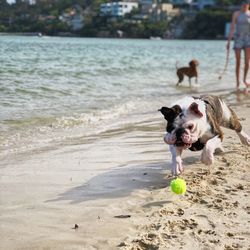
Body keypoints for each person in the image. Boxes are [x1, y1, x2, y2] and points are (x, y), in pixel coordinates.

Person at [227, 0, 250, 92]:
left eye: (246, 3)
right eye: (243, 3)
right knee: (238, 62)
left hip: (248, 39)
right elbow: (232, 28)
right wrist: (228, 42)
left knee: (247, 62)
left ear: (248, 5)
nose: (244, 5)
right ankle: (237, 82)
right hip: (238, 39)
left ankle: (244, 80)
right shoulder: (236, 14)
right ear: (241, 4)